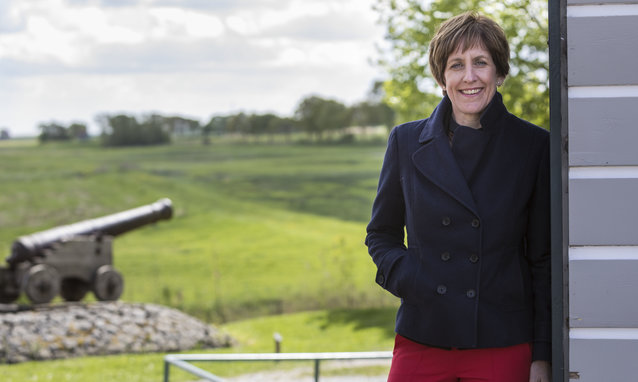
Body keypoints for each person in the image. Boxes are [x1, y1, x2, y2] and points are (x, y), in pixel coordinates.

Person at [365, 11, 551, 382]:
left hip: (502, 339)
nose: (469, 77)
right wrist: (409, 277)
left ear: (499, 74)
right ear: (441, 78)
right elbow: (381, 235)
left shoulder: (532, 146)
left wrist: (543, 354)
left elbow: (542, 260)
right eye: (456, 65)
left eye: (480, 62)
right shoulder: (405, 141)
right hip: (423, 334)